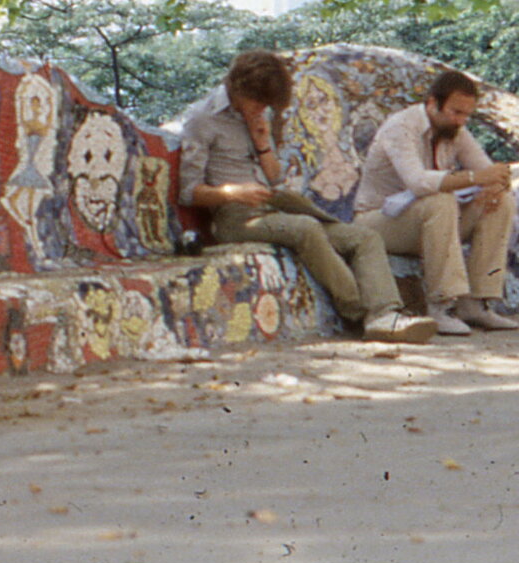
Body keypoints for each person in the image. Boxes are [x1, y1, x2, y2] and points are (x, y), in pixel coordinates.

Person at [179, 50, 435, 344]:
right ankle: (363, 312)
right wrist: (231, 192)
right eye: (258, 102)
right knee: (306, 228)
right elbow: (189, 193)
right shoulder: (203, 118)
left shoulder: (260, 116)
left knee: (364, 238)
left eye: (267, 105)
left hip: (273, 208)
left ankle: (385, 314)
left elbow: (274, 177)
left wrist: (263, 143)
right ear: (238, 88)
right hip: (234, 217)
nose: (262, 109)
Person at [355, 70, 519, 334]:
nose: (461, 120)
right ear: (433, 104)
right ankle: (441, 305)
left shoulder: (455, 129)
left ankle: (476, 303)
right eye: (456, 112)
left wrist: (496, 183)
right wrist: (476, 178)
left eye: (467, 114)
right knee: (440, 200)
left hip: (430, 221)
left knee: (501, 200)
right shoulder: (400, 127)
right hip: (378, 222)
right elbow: (418, 182)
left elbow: (486, 169)